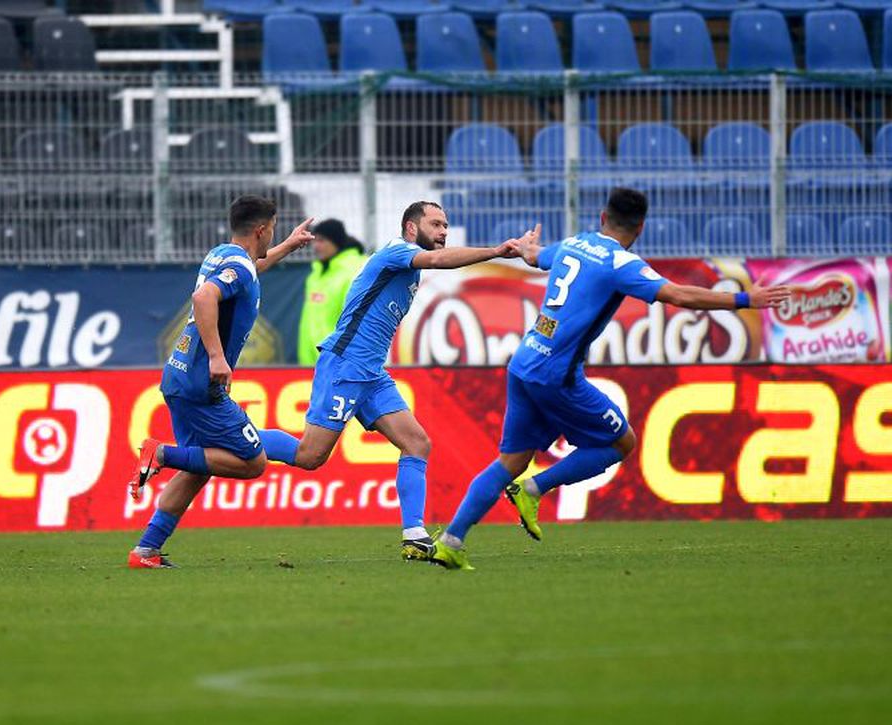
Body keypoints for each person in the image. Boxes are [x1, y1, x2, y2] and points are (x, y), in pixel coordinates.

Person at [431, 188, 792, 570]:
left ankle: (452, 540)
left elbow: (537, 258)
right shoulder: (623, 263)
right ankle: (534, 489)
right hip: (557, 375)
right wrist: (743, 301)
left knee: (510, 460)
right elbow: (679, 295)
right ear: (641, 228)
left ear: (603, 217)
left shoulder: (574, 243)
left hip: (523, 363)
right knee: (621, 442)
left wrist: (526, 246)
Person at [251, 201, 533, 563]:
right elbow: (436, 262)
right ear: (412, 229)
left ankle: (414, 536)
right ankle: (232, 438)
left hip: (371, 372)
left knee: (416, 443)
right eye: (436, 224)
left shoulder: (408, 268)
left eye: (446, 225)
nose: (444, 231)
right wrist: (495, 252)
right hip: (346, 365)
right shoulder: (398, 253)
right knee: (310, 456)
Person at [127, 196, 314, 568]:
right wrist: (216, 355)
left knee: (200, 468)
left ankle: (145, 551)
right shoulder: (238, 267)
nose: (273, 234)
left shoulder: (223, 255)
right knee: (251, 462)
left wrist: (288, 246)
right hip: (201, 383)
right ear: (261, 229)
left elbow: (250, 269)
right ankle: (160, 453)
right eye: (274, 229)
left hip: (178, 375)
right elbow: (204, 295)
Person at [298, 219, 365, 366]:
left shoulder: (355, 271)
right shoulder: (315, 275)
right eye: (315, 241)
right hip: (312, 364)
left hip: (340, 364)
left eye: (322, 240)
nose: (316, 246)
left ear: (336, 241)